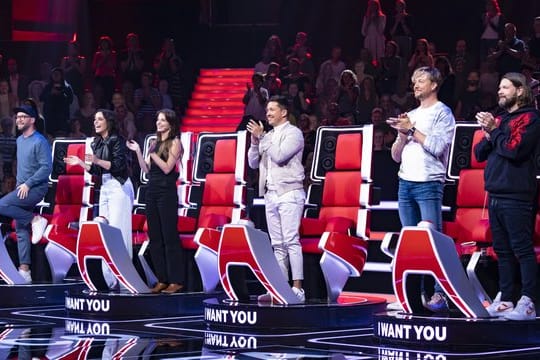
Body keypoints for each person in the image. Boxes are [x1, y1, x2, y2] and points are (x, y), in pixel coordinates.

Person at [388, 66, 455, 312]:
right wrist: (401, 135)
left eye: (421, 80)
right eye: (414, 81)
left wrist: (412, 130)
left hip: (428, 183)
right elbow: (395, 156)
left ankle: (440, 293)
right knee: (410, 245)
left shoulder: (442, 112)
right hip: (405, 183)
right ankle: (412, 295)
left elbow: (437, 147)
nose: (415, 84)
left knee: (432, 242)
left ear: (434, 84)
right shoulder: (411, 114)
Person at [474, 72, 540, 320]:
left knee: (522, 250)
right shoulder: (501, 119)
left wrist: (495, 130)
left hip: (517, 194)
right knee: (502, 250)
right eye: (499, 87)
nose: (499, 91)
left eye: (505, 87)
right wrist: (488, 131)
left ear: (520, 91)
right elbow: (480, 153)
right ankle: (506, 298)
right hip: (496, 193)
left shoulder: (531, 119)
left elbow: (515, 150)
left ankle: (529, 301)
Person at [64, 109, 134, 290]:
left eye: (99, 119)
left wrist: (96, 160)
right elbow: (96, 171)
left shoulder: (116, 140)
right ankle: (108, 277)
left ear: (108, 122)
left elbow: (118, 167)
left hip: (119, 186)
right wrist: (80, 163)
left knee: (118, 231)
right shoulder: (95, 142)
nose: (95, 122)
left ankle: (124, 279)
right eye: (94, 119)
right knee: (105, 231)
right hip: (105, 187)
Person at [247, 95, 306, 303]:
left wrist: (262, 138)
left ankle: (297, 287)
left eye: (272, 109)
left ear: (284, 112)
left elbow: (280, 156)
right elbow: (253, 163)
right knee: (277, 244)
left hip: (290, 192)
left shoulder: (294, 133)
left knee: (291, 241)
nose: (268, 113)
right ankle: (280, 288)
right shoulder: (267, 136)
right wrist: (255, 143)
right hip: (271, 194)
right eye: (267, 110)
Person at [127, 109, 185, 294]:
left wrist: (152, 155)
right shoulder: (153, 143)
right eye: (157, 120)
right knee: (155, 237)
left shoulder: (175, 142)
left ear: (170, 123)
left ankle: (176, 280)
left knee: (169, 237)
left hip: (166, 192)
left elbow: (168, 168)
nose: (158, 123)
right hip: (151, 191)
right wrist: (138, 151)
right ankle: (162, 279)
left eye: (162, 120)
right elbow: (145, 169)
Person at [0, 104, 52, 284]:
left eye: (23, 116)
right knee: (21, 228)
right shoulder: (20, 140)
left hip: (36, 188)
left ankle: (35, 220)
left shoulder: (40, 141)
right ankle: (25, 270)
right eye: (17, 117)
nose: (19, 119)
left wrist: (28, 184)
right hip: (21, 188)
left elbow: (46, 168)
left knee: (2, 205)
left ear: (32, 120)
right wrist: (19, 184)